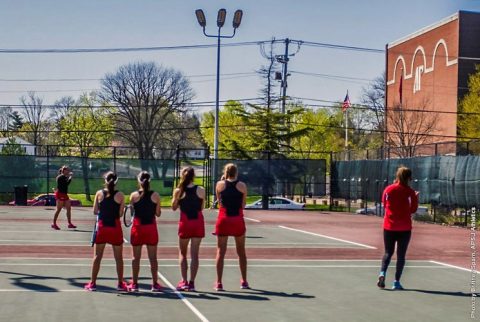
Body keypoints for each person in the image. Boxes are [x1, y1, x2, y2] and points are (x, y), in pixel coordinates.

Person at [85, 171, 128, 292]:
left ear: (105, 180)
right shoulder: (120, 195)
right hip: (115, 228)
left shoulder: (99, 193)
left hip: (102, 227)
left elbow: (95, 211)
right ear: (116, 181)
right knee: (118, 258)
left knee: (97, 256)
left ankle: (92, 283)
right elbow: (120, 214)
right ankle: (120, 284)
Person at [377, 166, 419, 290]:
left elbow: (385, 204)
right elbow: (413, 209)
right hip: (404, 228)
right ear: (409, 178)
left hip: (389, 227)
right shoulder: (410, 192)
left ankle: (382, 273)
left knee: (388, 252)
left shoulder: (388, 189)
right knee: (401, 255)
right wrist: (415, 198)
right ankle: (396, 282)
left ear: (397, 175)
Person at [214, 163, 249, 291]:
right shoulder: (242, 185)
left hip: (223, 219)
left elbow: (219, 202)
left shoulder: (219, 184)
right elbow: (243, 204)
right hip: (237, 219)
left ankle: (219, 282)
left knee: (220, 251)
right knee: (241, 252)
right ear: (236, 172)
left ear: (226, 172)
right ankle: (244, 281)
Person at [171, 167, 205, 291]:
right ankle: (191, 283)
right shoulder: (201, 190)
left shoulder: (179, 190)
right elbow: (201, 208)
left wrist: (176, 198)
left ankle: (184, 281)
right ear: (193, 176)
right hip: (197, 222)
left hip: (185, 222)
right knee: (195, 254)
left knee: (183, 253)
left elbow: (173, 207)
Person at [128, 171, 162, 292]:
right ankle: (155, 284)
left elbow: (132, 213)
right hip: (151, 228)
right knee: (153, 258)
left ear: (139, 180)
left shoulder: (133, 195)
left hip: (138, 228)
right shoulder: (156, 195)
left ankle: (135, 284)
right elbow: (158, 213)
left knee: (135, 258)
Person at [51, 165, 76, 230]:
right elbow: (66, 183)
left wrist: (69, 177)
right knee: (58, 209)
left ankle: (69, 223)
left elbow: (66, 183)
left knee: (69, 208)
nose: (68, 171)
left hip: (65, 194)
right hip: (60, 194)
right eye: (67, 170)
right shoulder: (60, 177)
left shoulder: (64, 177)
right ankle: (54, 224)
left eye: (68, 170)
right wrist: (69, 177)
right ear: (64, 171)